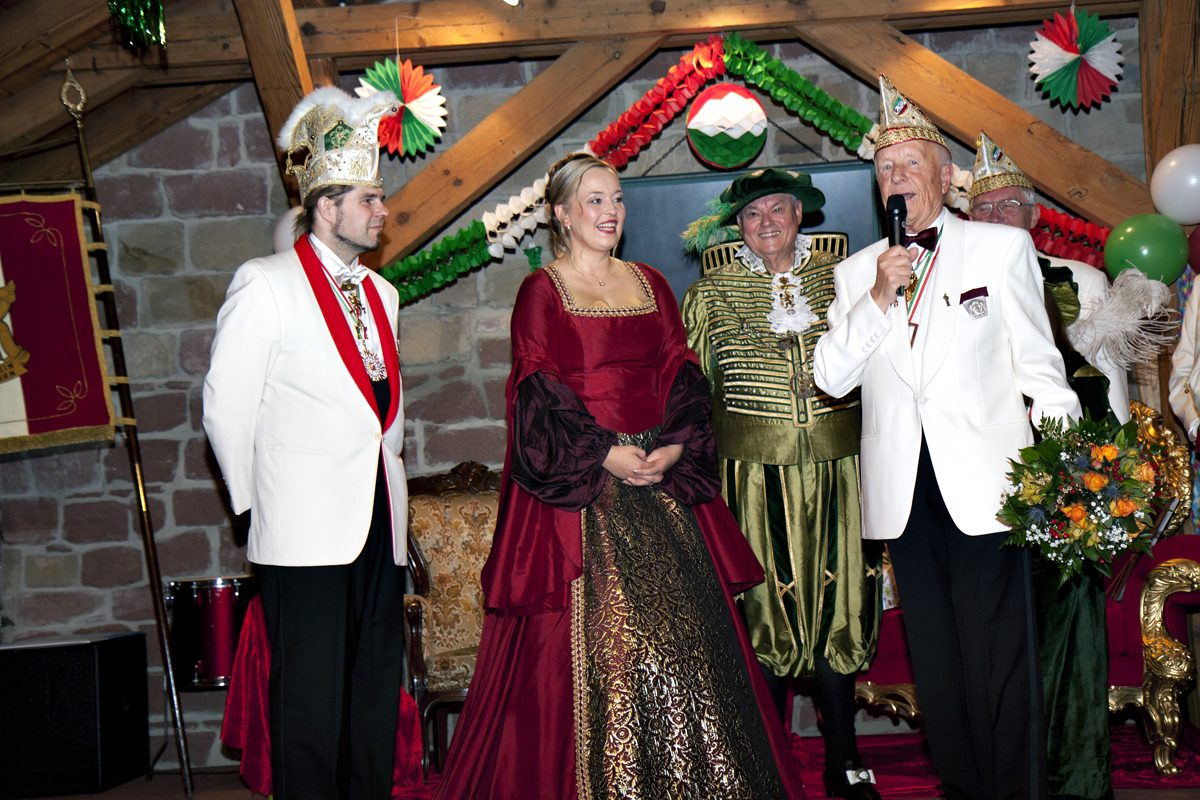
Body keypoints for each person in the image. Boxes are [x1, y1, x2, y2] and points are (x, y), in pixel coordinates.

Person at [433, 153, 806, 800]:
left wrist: (673, 448)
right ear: (562, 214)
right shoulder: (542, 291)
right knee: (613, 653)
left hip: (659, 485)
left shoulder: (651, 281)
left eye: (617, 200)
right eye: (595, 201)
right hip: (583, 492)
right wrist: (604, 452)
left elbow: (682, 371)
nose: (611, 213)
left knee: (691, 648)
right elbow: (538, 388)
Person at [812, 75, 1081, 800]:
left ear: (944, 174)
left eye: (911, 163)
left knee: (1001, 661)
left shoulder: (999, 248)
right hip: (904, 494)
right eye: (885, 168)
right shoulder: (855, 274)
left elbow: (1043, 373)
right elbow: (831, 376)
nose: (897, 176)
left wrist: (1063, 479)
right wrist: (878, 296)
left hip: (993, 487)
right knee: (938, 664)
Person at [203, 86, 408, 800]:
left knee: (373, 692)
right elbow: (225, 406)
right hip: (300, 528)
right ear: (326, 207)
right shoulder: (264, 283)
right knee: (310, 707)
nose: (381, 211)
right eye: (368, 199)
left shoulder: (383, 294)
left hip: (379, 521)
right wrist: (255, 509)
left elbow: (378, 416)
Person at [680, 168, 881, 799]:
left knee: (841, 607)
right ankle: (764, 768)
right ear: (738, 227)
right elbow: (690, 395)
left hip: (841, 470)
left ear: (800, 215)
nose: (766, 223)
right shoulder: (709, 295)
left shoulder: (845, 280)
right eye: (752, 214)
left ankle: (844, 760)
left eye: (777, 210)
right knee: (762, 611)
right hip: (750, 476)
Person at [968, 131, 1125, 800]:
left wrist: (1110, 481)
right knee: (994, 640)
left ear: (1033, 215)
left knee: (1067, 635)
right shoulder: (956, 284)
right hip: (982, 485)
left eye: (1010, 205)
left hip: (1065, 483)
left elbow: (1109, 385)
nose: (997, 216)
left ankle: (1074, 777)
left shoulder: (1080, 282)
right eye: (984, 208)